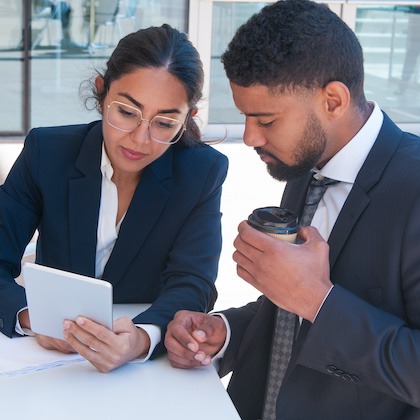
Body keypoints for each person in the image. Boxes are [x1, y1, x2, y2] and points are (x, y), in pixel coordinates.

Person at [164, 1, 420, 419]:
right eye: (246, 117)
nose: (249, 137)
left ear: (333, 100)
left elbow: (315, 307)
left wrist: (318, 299)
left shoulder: (414, 191)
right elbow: (291, 318)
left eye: (265, 120)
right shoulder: (305, 166)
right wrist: (224, 332)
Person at [0, 24, 228, 373]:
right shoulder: (47, 152)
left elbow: (192, 282)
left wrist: (140, 339)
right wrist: (33, 317)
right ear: (102, 92)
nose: (140, 139)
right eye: (126, 112)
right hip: (48, 363)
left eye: (164, 123)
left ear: (187, 120)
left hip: (147, 373)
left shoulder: (202, 172)